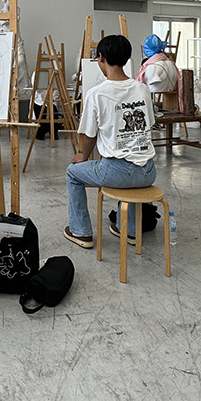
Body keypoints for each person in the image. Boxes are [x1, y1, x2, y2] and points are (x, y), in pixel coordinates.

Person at [64, 35, 157, 248]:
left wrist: (83, 156)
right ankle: (130, 230)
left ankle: (81, 232)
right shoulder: (142, 89)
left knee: (72, 173)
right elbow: (148, 124)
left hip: (117, 173)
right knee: (129, 169)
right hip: (147, 172)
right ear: (127, 59)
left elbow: (90, 135)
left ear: (101, 58)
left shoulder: (96, 93)